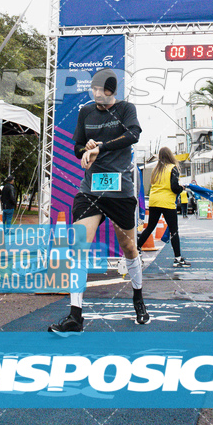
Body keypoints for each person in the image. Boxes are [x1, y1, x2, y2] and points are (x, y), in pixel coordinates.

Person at [48, 68, 148, 334]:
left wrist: (100, 146)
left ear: (111, 92)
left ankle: (138, 297)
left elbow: (133, 135)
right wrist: (86, 149)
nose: (94, 94)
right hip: (90, 188)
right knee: (79, 245)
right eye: (91, 89)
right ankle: (75, 316)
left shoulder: (126, 109)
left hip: (119, 190)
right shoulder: (85, 112)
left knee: (129, 248)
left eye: (98, 90)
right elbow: (77, 146)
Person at [136, 147, 191, 268]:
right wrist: (182, 188)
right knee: (174, 230)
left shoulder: (156, 169)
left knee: (150, 227)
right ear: (170, 155)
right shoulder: (173, 168)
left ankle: (136, 249)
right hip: (167, 202)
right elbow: (174, 188)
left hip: (154, 201)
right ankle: (178, 258)